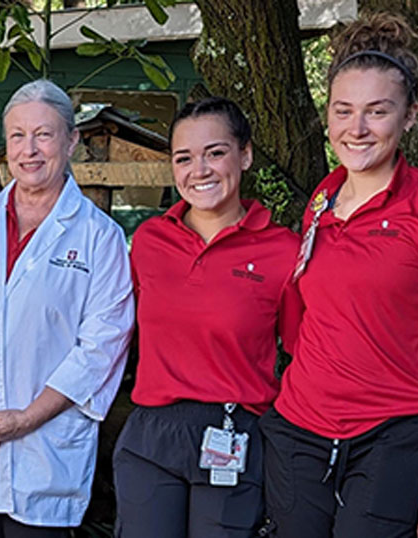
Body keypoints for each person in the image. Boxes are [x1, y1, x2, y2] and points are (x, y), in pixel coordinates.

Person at [258, 13, 418, 538]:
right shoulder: (322, 198)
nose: (357, 128)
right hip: (299, 430)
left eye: (377, 111)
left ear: (410, 115)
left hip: (391, 437)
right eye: (343, 111)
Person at [0, 79, 134, 538]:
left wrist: (27, 419)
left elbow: (101, 348)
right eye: (17, 135)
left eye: (44, 134)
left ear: (71, 141)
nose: (29, 149)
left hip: (45, 452)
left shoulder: (100, 236)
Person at [112, 97, 300, 537]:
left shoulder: (283, 251)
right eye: (184, 157)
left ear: (245, 155)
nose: (200, 170)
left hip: (234, 433)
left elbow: (302, 356)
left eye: (215, 153)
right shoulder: (150, 241)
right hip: (151, 435)